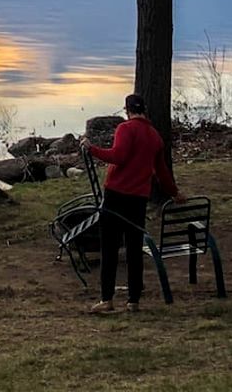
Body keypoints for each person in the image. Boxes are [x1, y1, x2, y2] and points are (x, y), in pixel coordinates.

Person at [79, 93, 183, 314]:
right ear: (144, 110)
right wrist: (175, 193)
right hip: (139, 198)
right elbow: (162, 172)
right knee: (134, 249)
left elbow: (118, 156)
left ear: (127, 110)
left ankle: (107, 299)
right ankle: (133, 300)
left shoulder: (125, 129)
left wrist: (92, 149)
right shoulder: (154, 136)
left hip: (116, 195)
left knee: (110, 248)